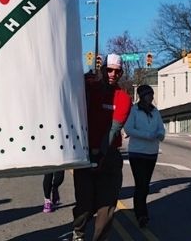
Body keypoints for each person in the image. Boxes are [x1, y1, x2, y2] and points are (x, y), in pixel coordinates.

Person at [72, 54, 132, 241]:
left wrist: (100, 155)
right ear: (102, 69)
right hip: (85, 154)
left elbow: (113, 130)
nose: (113, 74)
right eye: (109, 70)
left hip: (109, 156)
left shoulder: (123, 98)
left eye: (117, 71)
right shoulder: (90, 89)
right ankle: (78, 232)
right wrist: (82, 78)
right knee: (85, 205)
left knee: (106, 208)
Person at [124, 84, 165, 228]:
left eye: (152, 94)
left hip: (152, 153)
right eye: (149, 94)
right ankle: (141, 214)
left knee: (145, 185)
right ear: (142, 96)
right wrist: (147, 135)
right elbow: (128, 128)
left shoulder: (155, 111)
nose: (152, 97)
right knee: (140, 184)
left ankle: (140, 210)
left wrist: (160, 135)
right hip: (137, 152)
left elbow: (161, 128)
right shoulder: (134, 110)